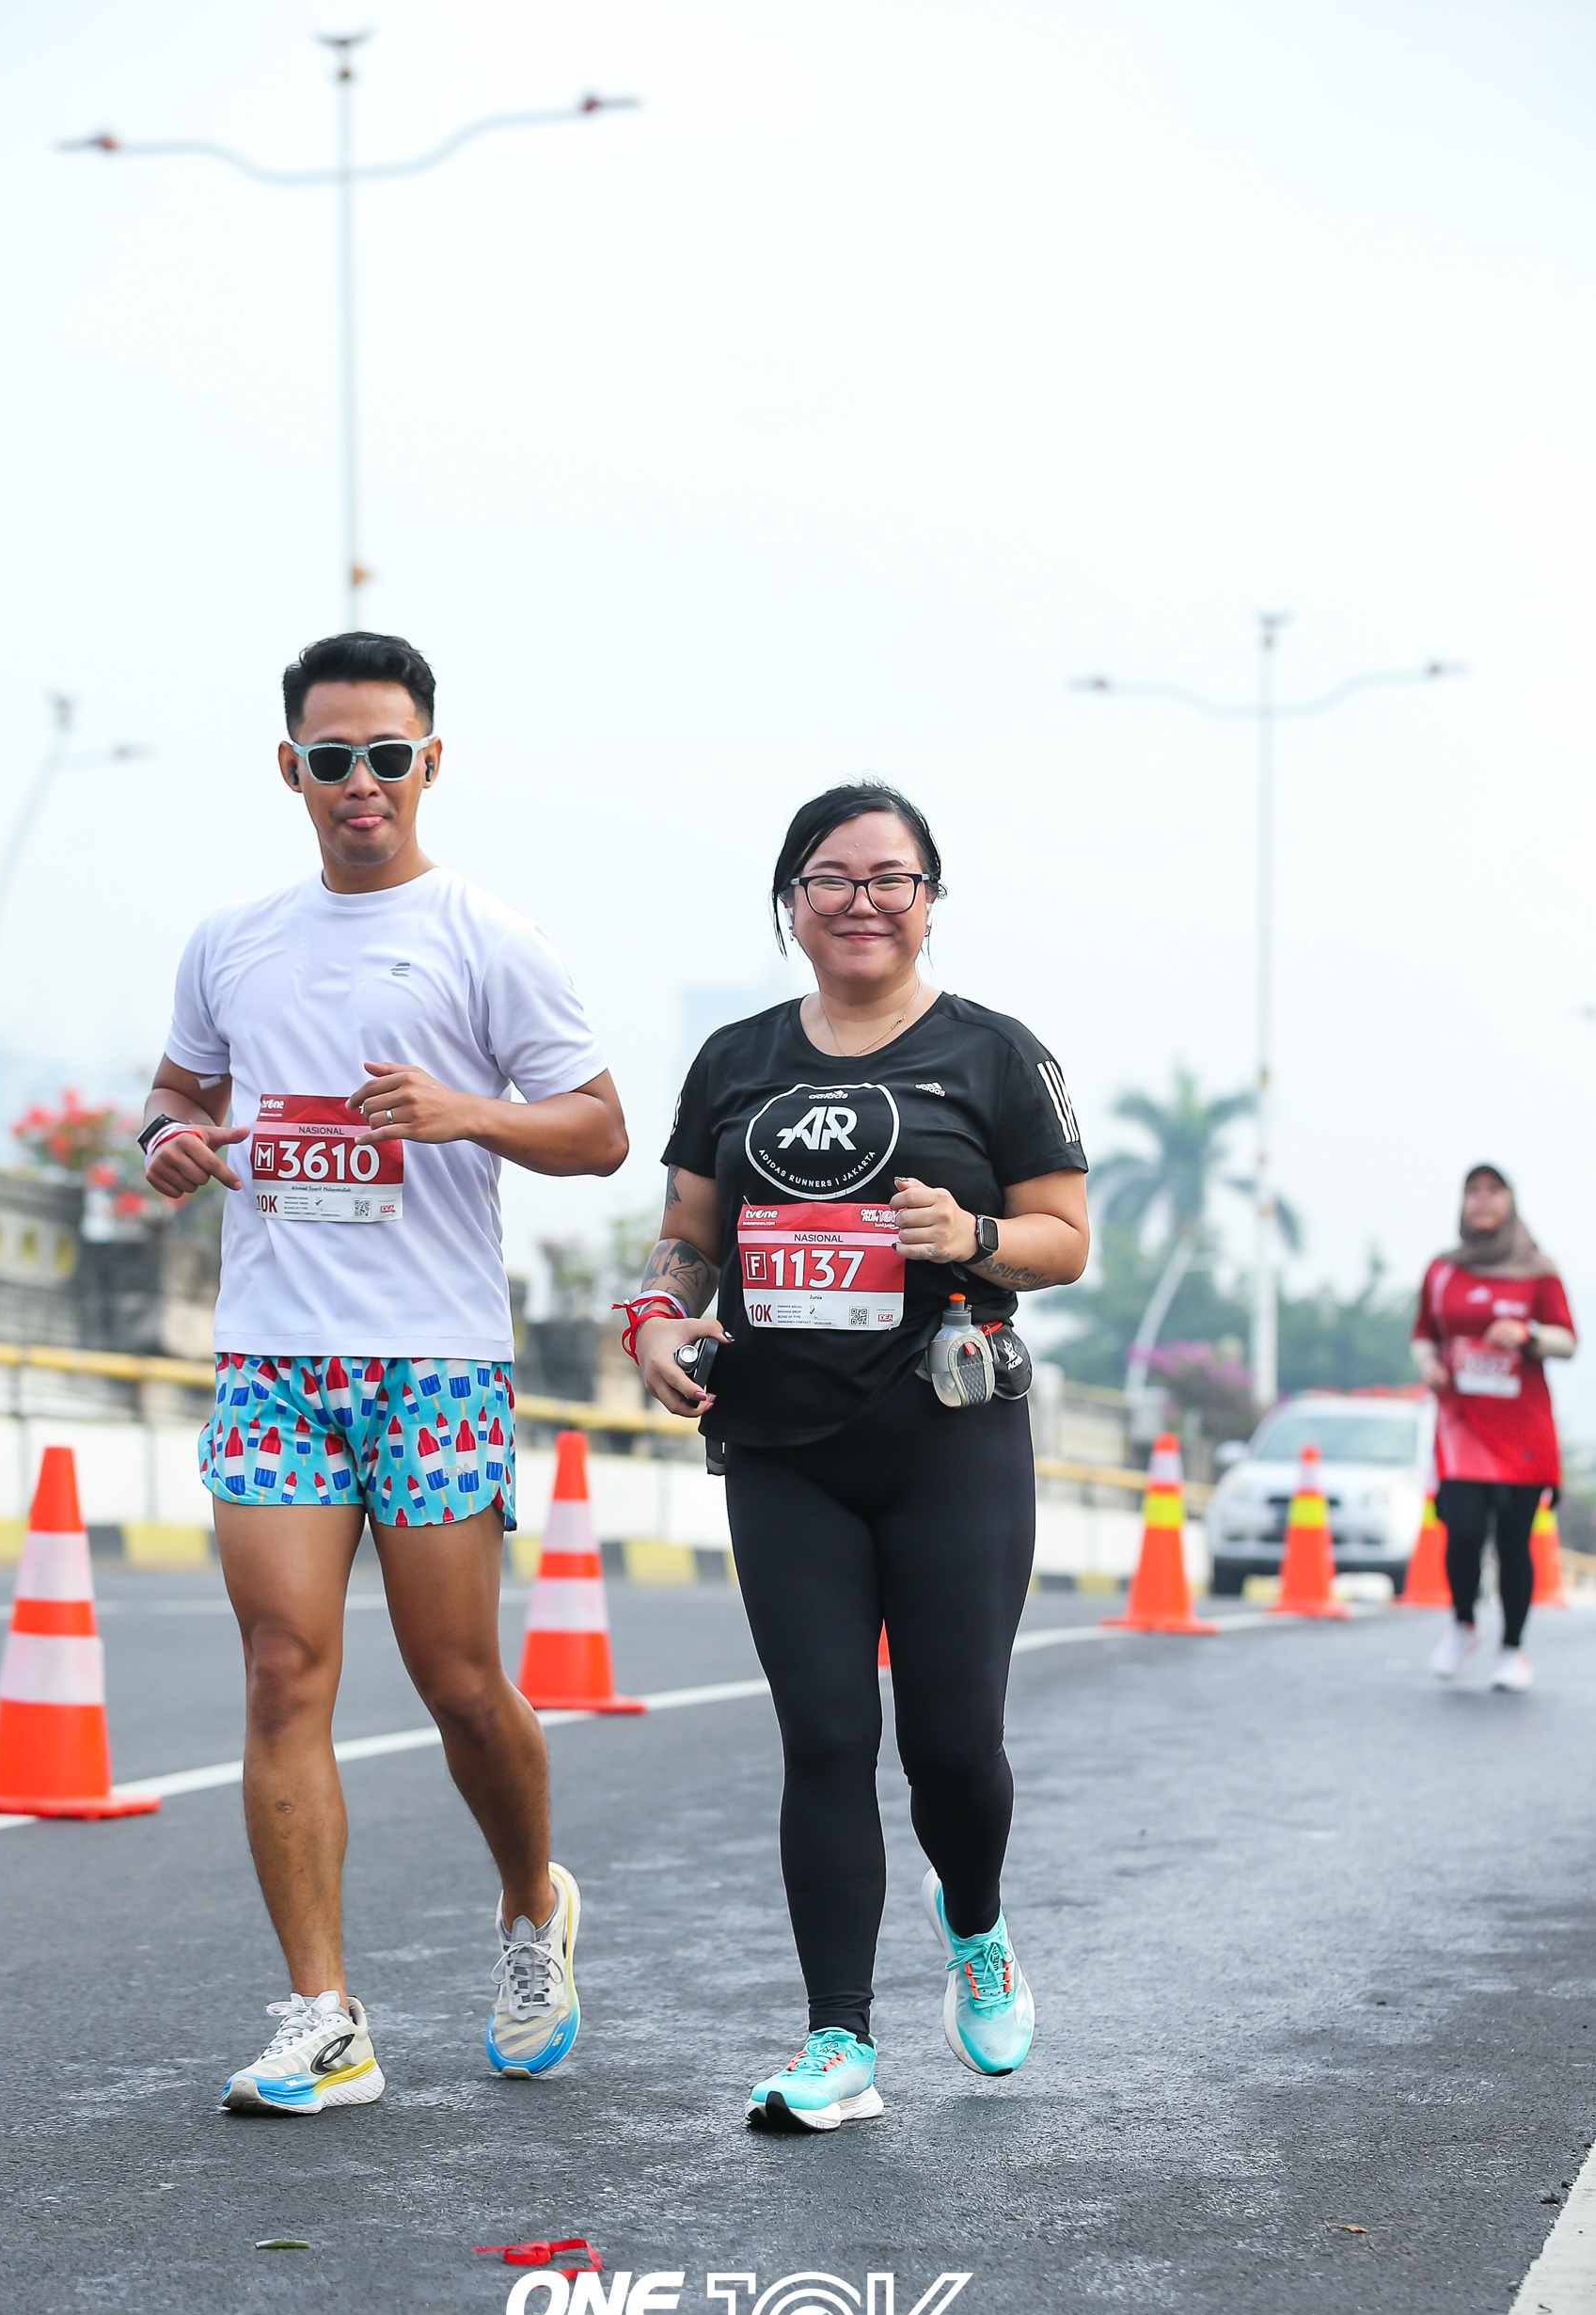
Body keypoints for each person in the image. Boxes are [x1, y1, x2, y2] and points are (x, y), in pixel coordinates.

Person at [139, 630, 627, 2111]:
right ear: (291, 768)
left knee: (459, 1681)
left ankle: (530, 1907)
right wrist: (170, 1140)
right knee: (282, 1668)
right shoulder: (233, 940)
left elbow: (600, 1127)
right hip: (275, 1356)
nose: (364, 782)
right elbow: (176, 1088)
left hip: (435, 1362)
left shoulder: (489, 935)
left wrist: (465, 1111)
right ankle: (323, 2015)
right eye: (335, 757)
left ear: (432, 762)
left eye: (389, 756)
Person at [622, 781, 1089, 2133]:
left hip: (949, 1442)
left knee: (954, 1749)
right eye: (830, 878)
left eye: (891, 878)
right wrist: (655, 1317)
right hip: (783, 1446)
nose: (861, 901)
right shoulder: (736, 1058)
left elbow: (1064, 1237)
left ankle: (975, 1921)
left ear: (929, 900)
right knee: (824, 1735)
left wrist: (972, 1236)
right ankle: (839, 2041)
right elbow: (688, 1236)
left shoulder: (995, 1055)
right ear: (791, 903)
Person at [1411, 1165, 1575, 1692]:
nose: (1482, 1200)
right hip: (1461, 1425)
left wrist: (1528, 1333)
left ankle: (1513, 1649)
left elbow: (1568, 1341)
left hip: (1521, 1430)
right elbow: (1422, 1333)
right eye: (1473, 1191)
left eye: (1493, 1191)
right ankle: (1463, 1624)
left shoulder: (1537, 1271)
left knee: (1512, 1540)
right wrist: (1428, 1363)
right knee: (1461, 1530)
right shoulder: (1442, 1270)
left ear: (1510, 1201)